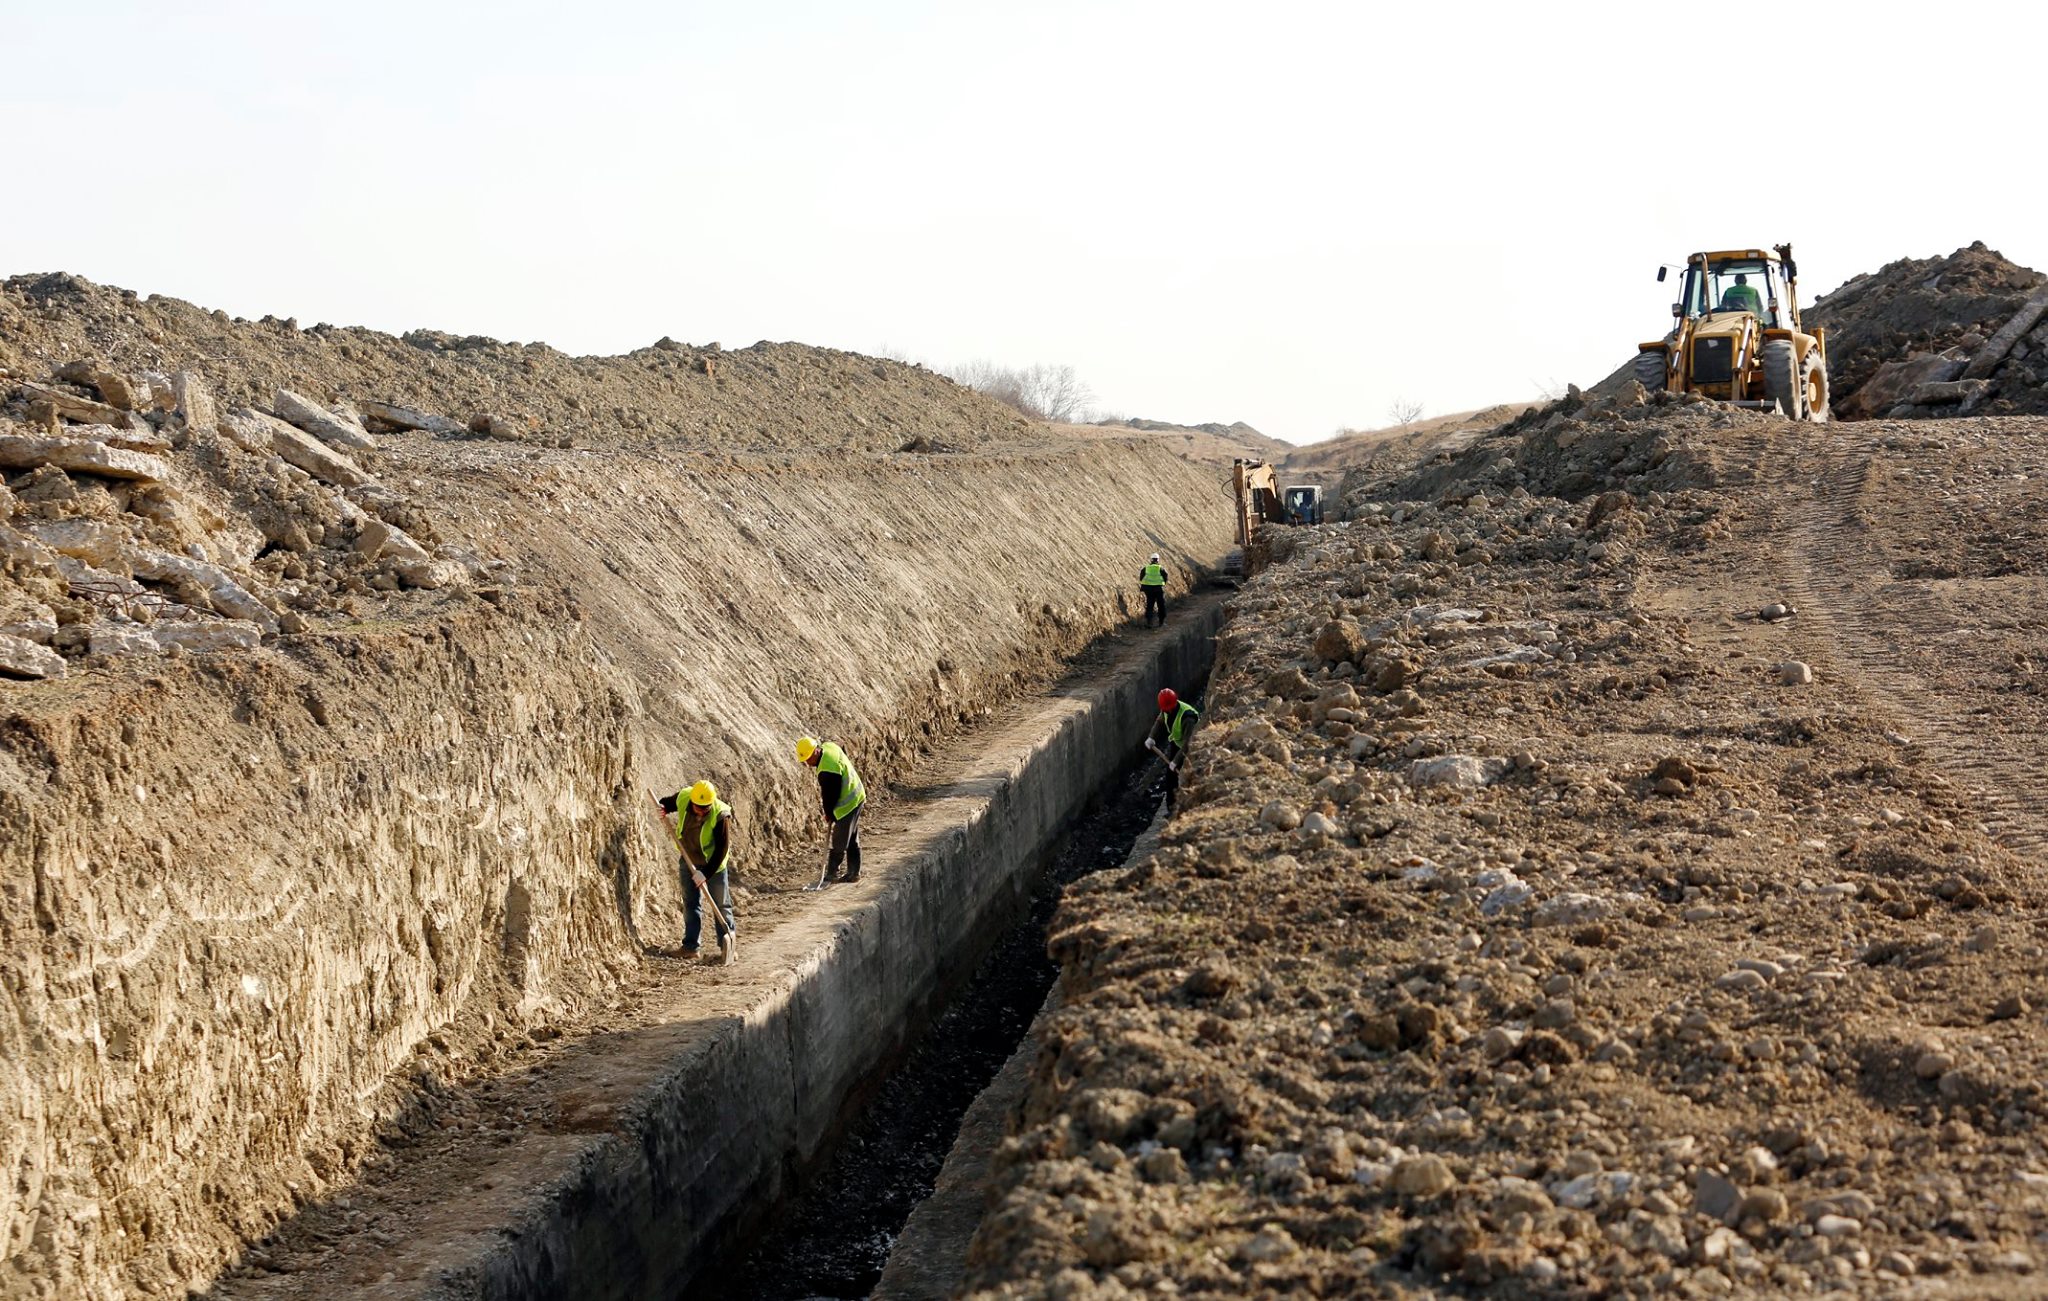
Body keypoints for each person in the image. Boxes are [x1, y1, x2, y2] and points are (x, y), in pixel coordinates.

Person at [658, 779, 736, 960]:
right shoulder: (685, 797)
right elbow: (666, 803)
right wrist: (663, 808)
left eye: (705, 808)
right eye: (698, 808)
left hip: (713, 864)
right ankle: (691, 947)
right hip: (689, 858)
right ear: (692, 801)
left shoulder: (721, 814)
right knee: (690, 903)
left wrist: (706, 873)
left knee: (721, 904)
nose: (701, 812)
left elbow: (722, 849)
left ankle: (727, 946)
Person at [797, 735, 867, 884]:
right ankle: (854, 873)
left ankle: (832, 874)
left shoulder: (827, 770)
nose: (808, 763)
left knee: (840, 839)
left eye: (808, 759)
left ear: (815, 751)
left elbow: (830, 795)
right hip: (857, 794)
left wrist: (829, 813)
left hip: (849, 803)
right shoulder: (829, 746)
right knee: (851, 836)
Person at [1145, 687, 1200, 801]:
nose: (1169, 711)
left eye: (1170, 708)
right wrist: (1151, 737)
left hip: (1191, 749)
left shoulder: (1188, 718)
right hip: (1176, 744)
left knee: (1185, 777)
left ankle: (1188, 799)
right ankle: (1171, 805)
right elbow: (1159, 721)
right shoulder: (1166, 709)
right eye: (1166, 709)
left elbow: (1188, 743)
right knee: (1171, 779)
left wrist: (1175, 761)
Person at [1139, 553, 1168, 627]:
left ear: (1151, 560)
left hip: (1148, 590)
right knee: (1161, 605)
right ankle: (1161, 622)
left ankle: (1149, 622)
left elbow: (1141, 578)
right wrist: (1162, 583)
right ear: (1158, 560)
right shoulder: (1160, 568)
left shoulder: (1146, 568)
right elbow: (1165, 577)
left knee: (1150, 605)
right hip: (1158, 589)